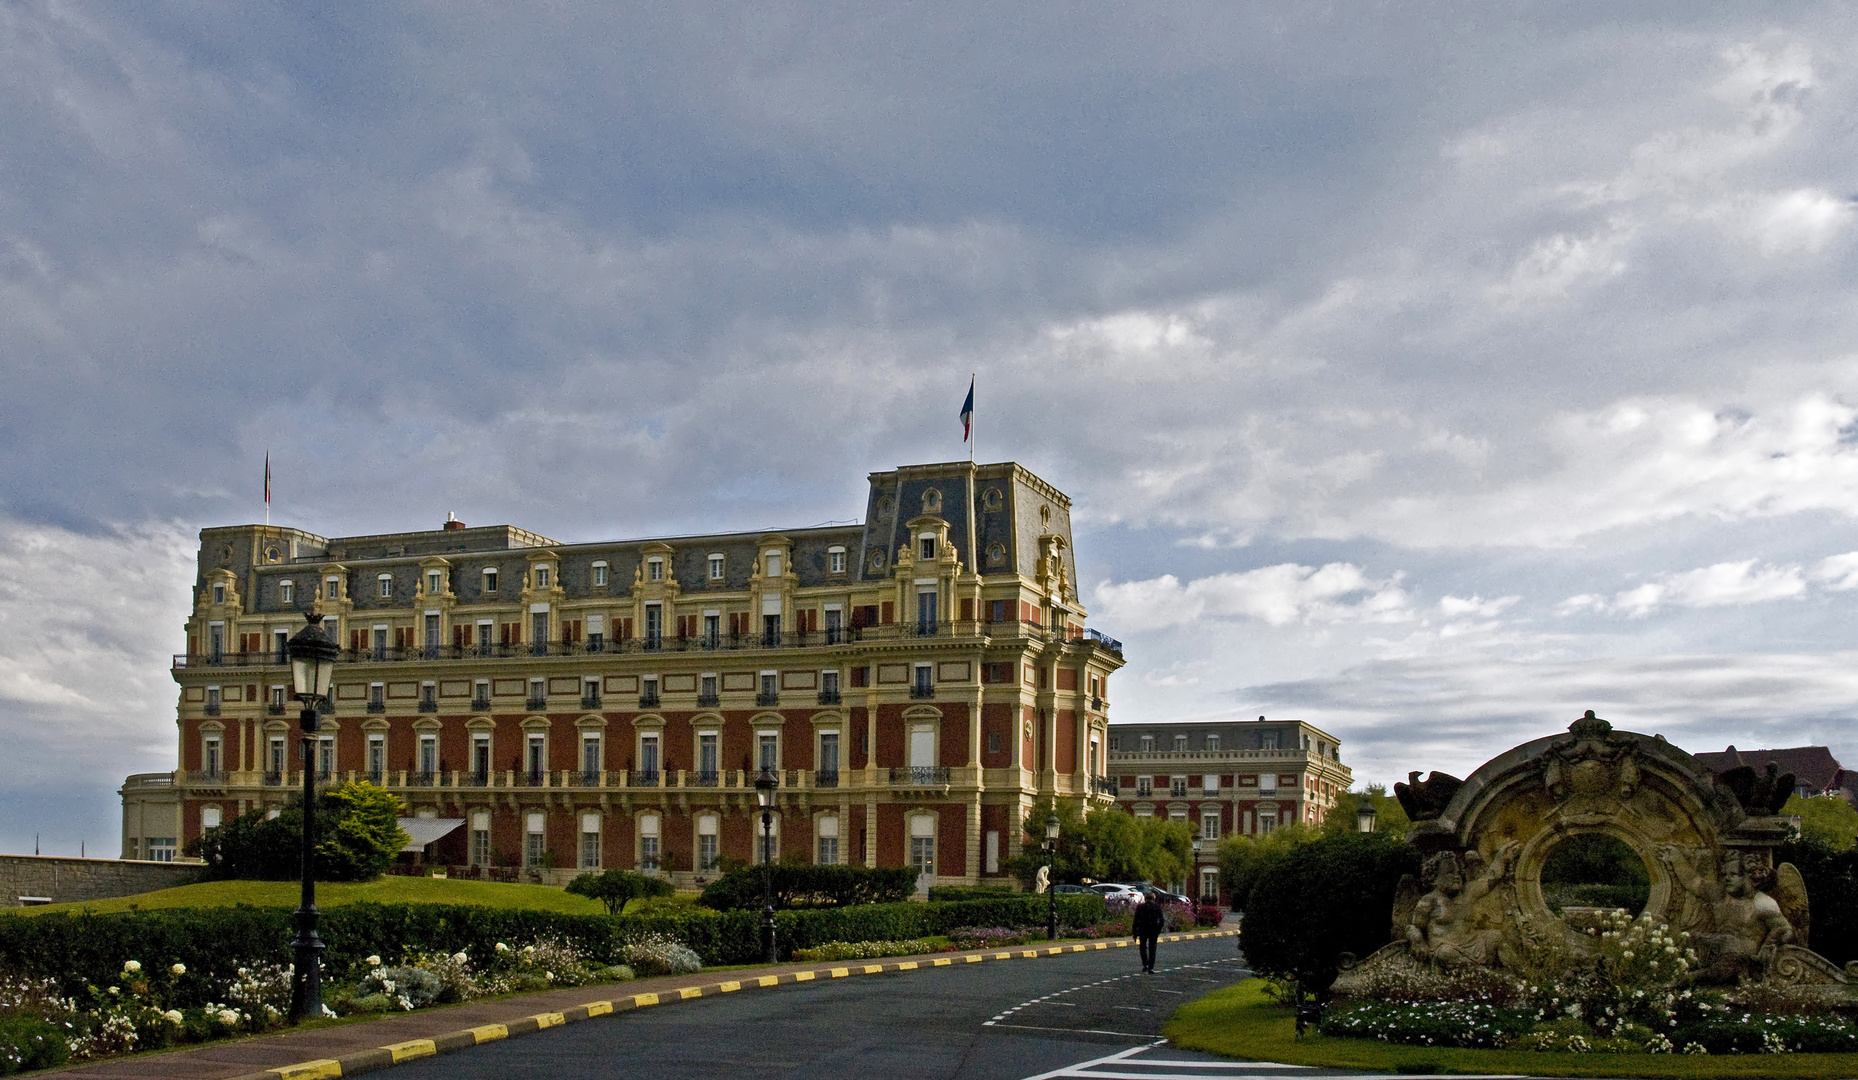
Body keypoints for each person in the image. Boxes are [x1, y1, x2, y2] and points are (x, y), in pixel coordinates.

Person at [1133, 890, 1165, 973]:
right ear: (1153, 899)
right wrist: (1158, 930)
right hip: (1153, 930)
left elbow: (1136, 920)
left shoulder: (1140, 907)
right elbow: (1161, 920)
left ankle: (1145, 964)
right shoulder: (1157, 907)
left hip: (1143, 930)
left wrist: (1134, 932)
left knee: (1143, 947)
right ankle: (1151, 967)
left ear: (1145, 898)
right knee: (1152, 948)